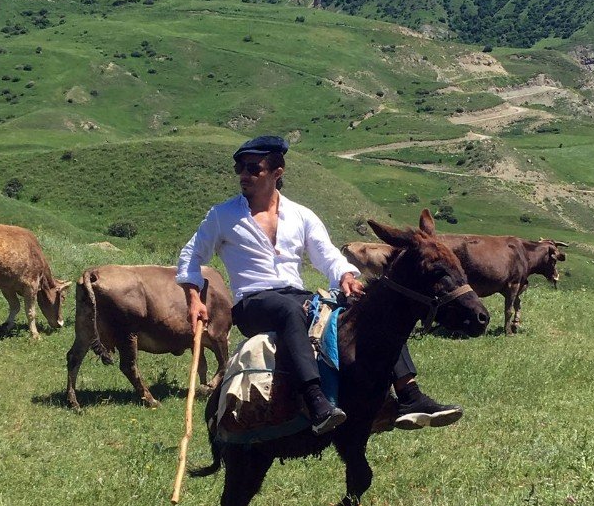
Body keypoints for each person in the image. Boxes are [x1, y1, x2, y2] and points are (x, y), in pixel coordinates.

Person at [177, 135, 462, 435]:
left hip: (297, 296)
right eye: (240, 168)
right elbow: (191, 255)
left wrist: (346, 277)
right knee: (290, 311)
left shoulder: (301, 215)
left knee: (371, 307)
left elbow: (327, 255)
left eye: (252, 168)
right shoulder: (223, 216)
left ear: (277, 172)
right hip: (253, 302)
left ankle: (409, 394)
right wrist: (194, 298)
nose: (243, 175)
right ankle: (316, 402)